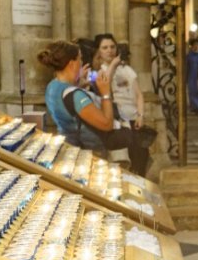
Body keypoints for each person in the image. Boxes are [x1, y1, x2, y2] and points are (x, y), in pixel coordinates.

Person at [37, 40, 151, 175]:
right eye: (80, 58)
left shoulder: (53, 86)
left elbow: (67, 105)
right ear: (72, 63)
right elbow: (106, 124)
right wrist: (105, 93)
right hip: (87, 154)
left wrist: (79, 85)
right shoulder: (76, 95)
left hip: (69, 148)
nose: (81, 63)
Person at [185, 37, 198, 113]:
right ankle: (195, 107)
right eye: (194, 45)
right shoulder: (189, 56)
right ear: (192, 46)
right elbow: (186, 67)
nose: (196, 46)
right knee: (192, 92)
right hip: (191, 76)